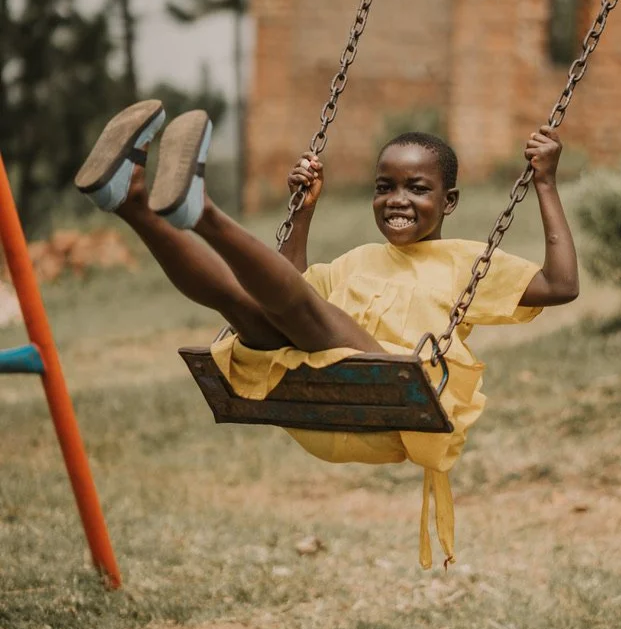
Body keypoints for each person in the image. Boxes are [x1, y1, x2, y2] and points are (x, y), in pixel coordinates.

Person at [75, 100, 579, 567]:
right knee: (240, 303)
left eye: (417, 188)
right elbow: (283, 294)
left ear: (449, 202)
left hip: (391, 411)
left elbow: (560, 284)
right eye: (384, 187)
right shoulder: (356, 262)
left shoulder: (468, 262)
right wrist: (304, 210)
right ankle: (130, 199)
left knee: (306, 313)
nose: (397, 200)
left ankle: (200, 210)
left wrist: (546, 184)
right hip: (317, 406)